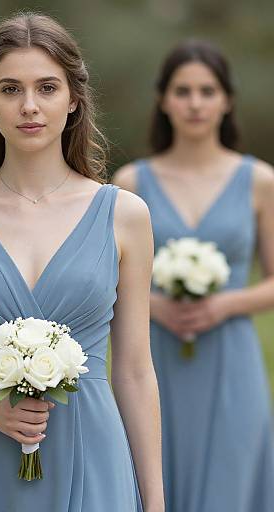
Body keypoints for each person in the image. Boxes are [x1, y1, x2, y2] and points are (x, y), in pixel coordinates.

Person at [0, 13, 164, 512]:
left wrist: (155, 501)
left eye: (46, 87)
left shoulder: (125, 215)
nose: (29, 106)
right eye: (10, 89)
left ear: (74, 98)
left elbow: (133, 370)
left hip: (94, 453)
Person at [114, 39, 274, 511]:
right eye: (183, 91)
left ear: (226, 99)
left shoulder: (261, 181)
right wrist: (154, 306)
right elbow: (110, 282)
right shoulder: (130, 184)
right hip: (154, 356)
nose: (196, 103)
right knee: (155, 481)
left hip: (232, 359)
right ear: (164, 100)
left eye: (208, 90)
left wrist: (226, 303)